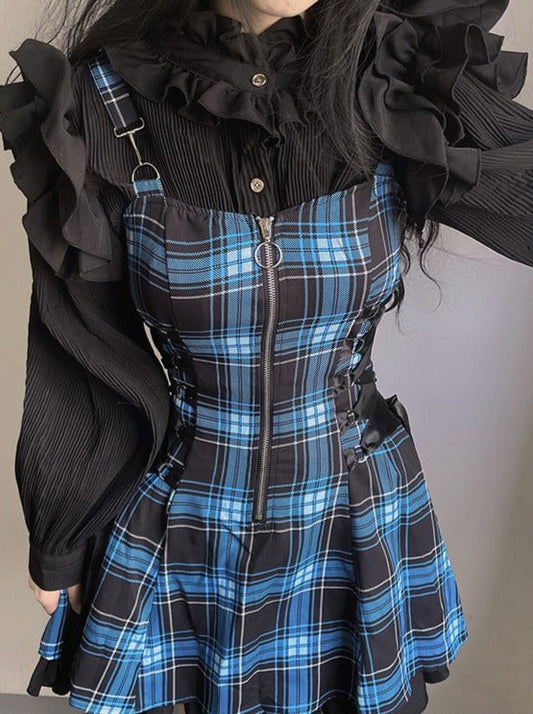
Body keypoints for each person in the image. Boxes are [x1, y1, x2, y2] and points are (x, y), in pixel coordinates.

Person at [0, 0, 532, 712]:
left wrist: (440, 71)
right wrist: (63, 532)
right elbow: (81, 342)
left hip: (355, 524)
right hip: (189, 536)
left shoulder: (399, 74)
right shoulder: (99, 99)